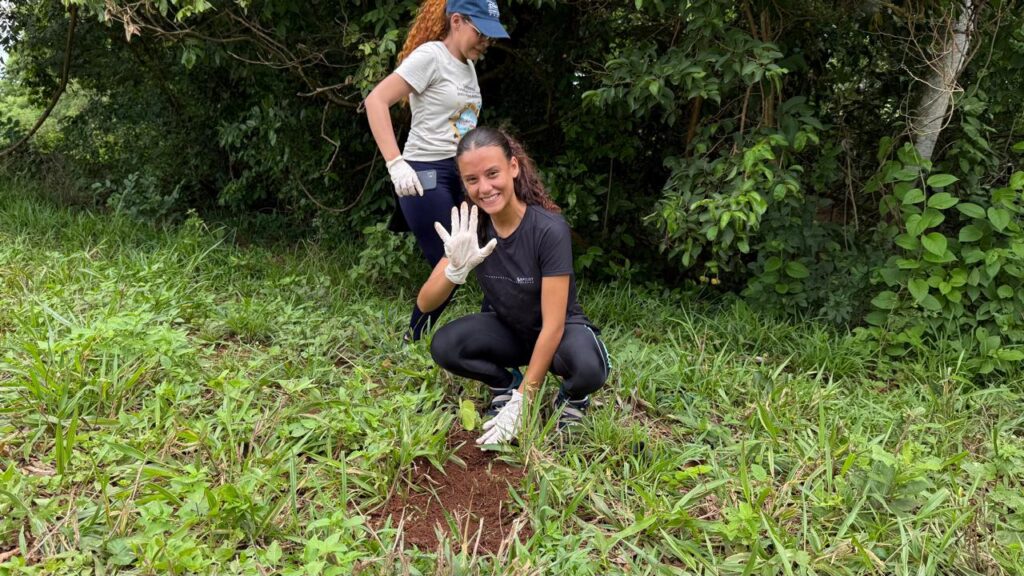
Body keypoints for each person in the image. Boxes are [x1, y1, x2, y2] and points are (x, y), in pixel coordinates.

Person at [416, 127, 611, 445]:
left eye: (492, 173)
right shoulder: (472, 228)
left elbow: (553, 325)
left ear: (514, 167)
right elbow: (425, 303)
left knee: (589, 367)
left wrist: (525, 400)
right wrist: (454, 269)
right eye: (472, 179)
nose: (484, 188)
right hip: (511, 329)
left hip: (559, 332)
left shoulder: (548, 229)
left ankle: (572, 399)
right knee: (445, 345)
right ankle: (504, 385)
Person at [364, 0, 509, 341]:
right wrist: (395, 164)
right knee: (453, 261)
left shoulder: (468, 66)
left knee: (490, 253)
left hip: (460, 173)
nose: (485, 42)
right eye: (480, 33)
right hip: (424, 174)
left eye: (490, 36)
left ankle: (496, 339)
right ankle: (413, 338)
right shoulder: (431, 56)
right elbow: (376, 101)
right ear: (456, 21)